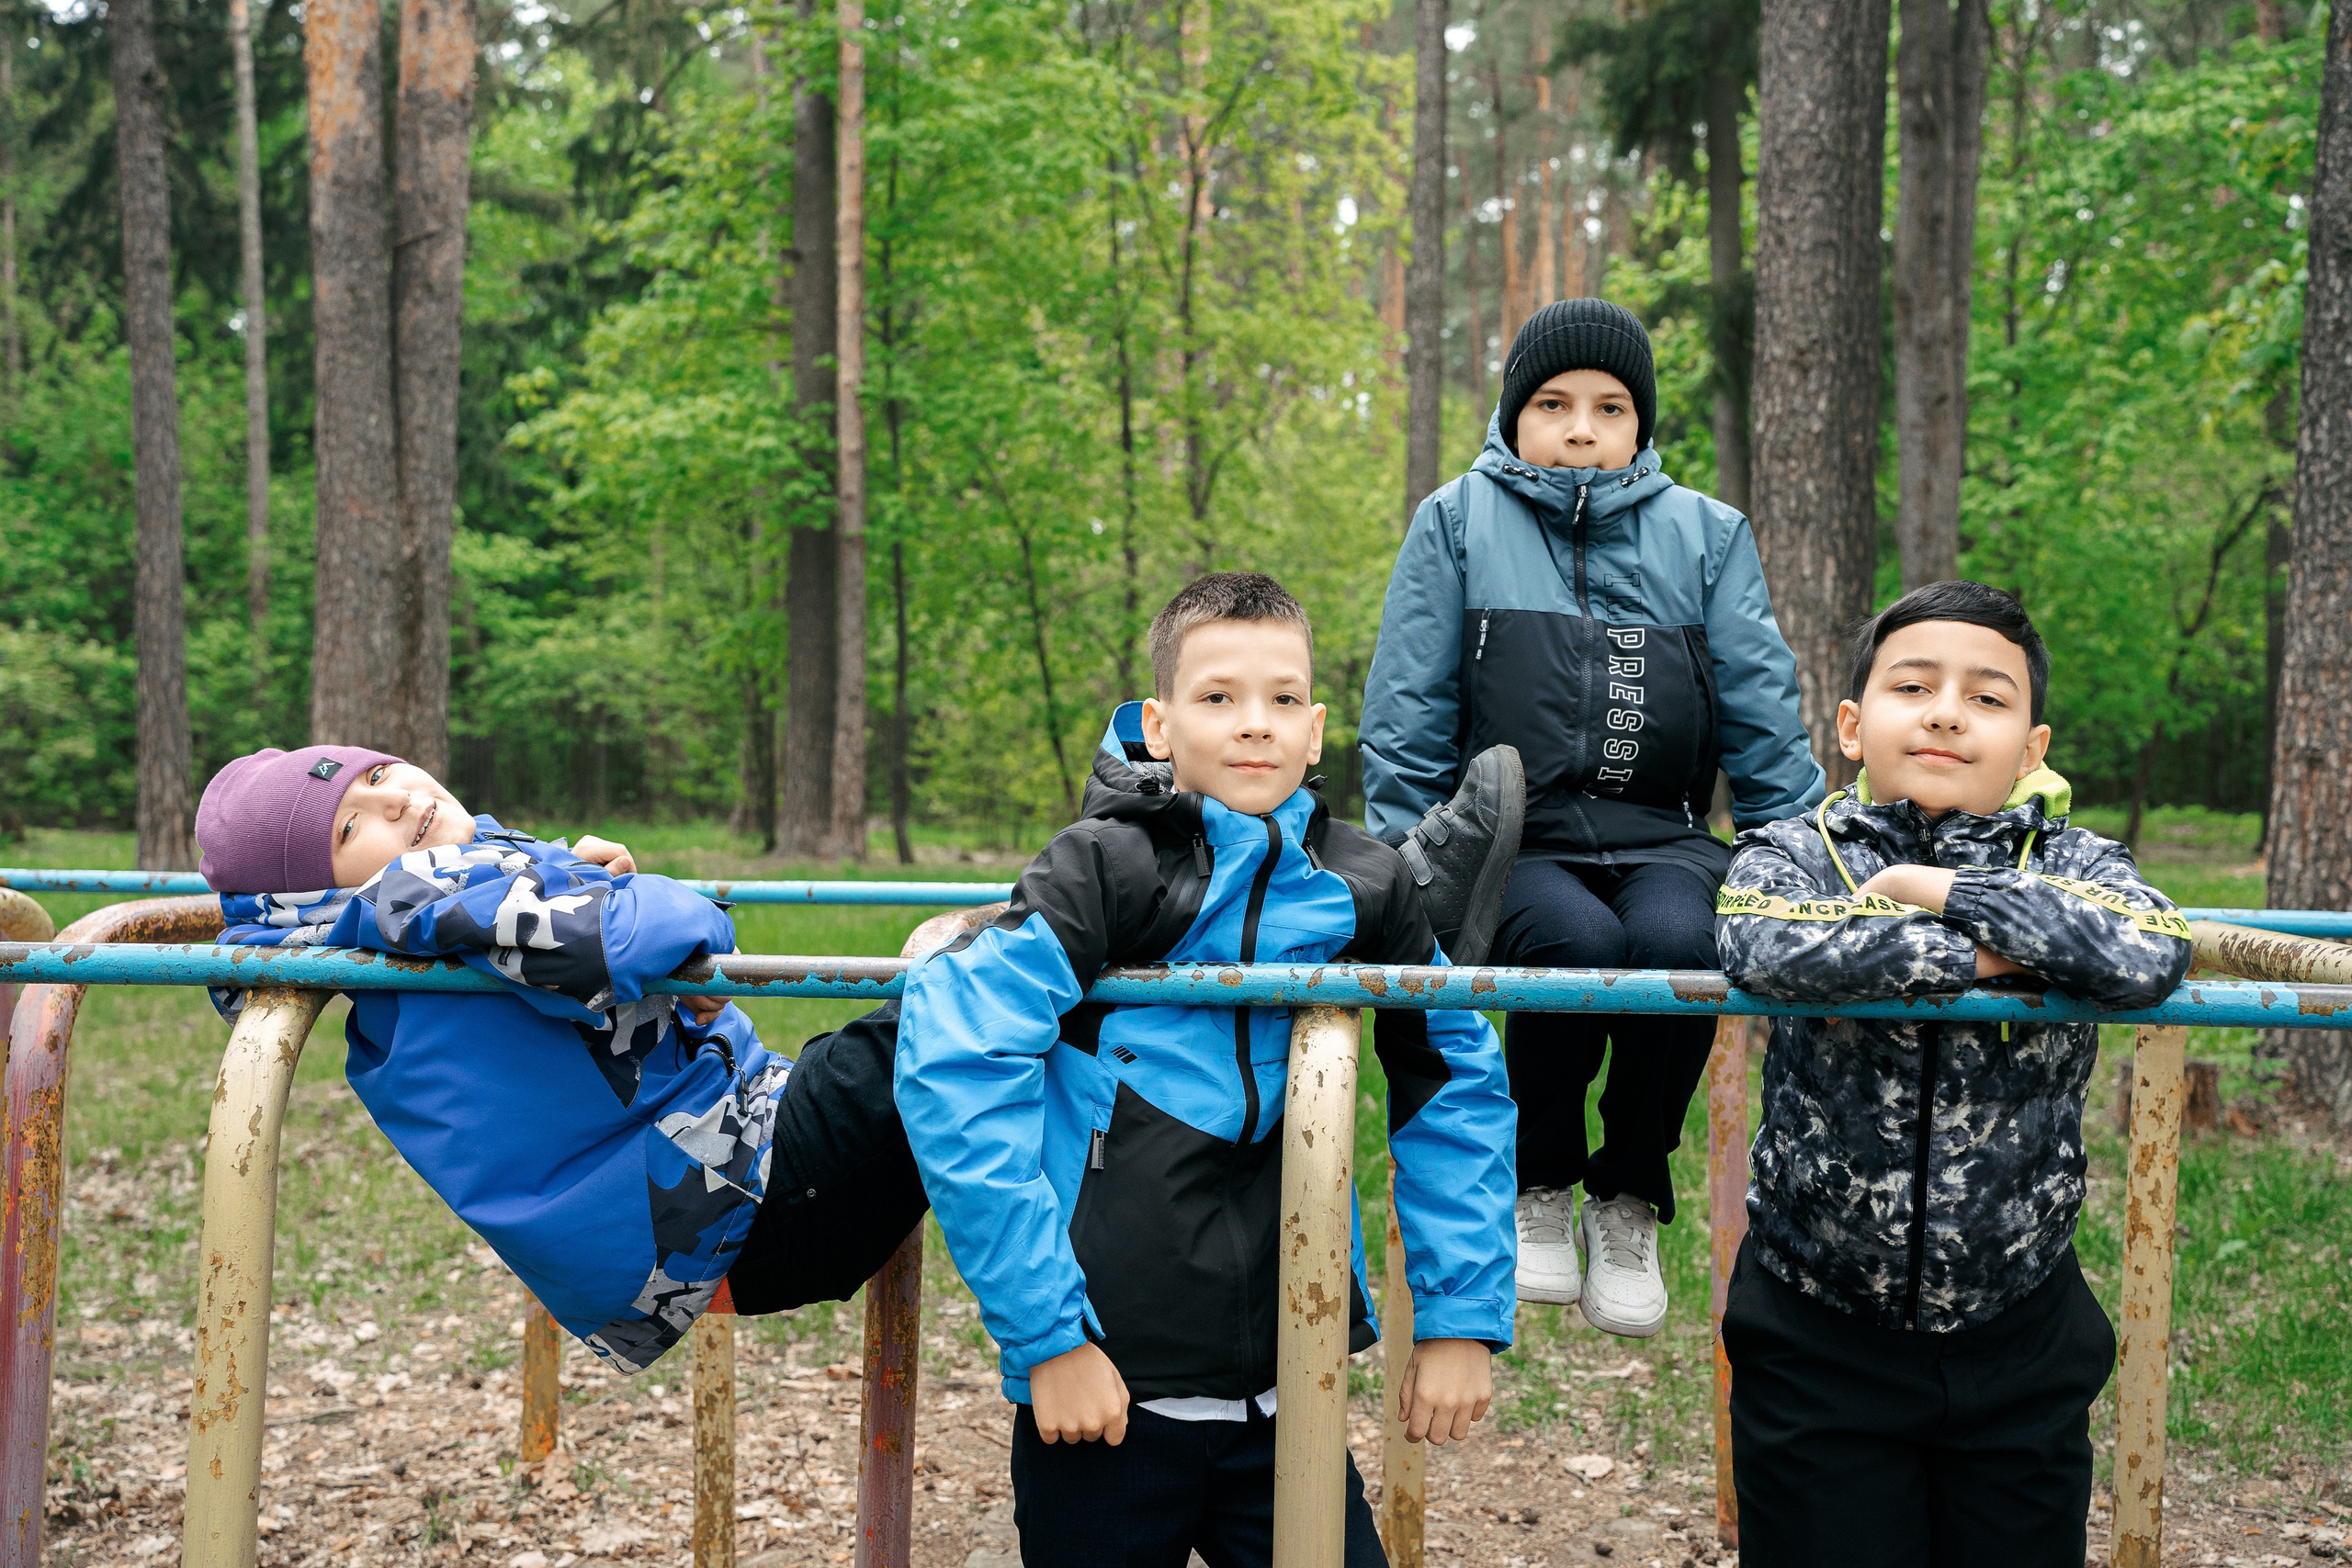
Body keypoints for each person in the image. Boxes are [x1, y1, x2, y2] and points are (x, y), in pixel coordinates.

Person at [895, 573, 1519, 1568]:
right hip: (1101, 1385)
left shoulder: (1368, 885)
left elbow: (1457, 1083)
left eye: (1281, 701)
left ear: (1316, 732)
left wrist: (1457, 1317)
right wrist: (1045, 1336)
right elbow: (957, 1066)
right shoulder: (1102, 869)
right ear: (1157, 723)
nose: (1253, 726)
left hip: (1290, 1395)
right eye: (1217, 698)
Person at [1357, 297, 1824, 1337]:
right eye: (1554, 403)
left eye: (1609, 408)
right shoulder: (1454, 522)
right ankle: (1542, 1180)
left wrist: (1795, 853)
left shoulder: (1706, 534)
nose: (1580, 428)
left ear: (1639, 426)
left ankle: (1626, 1192)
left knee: (1672, 940)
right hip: (1512, 844)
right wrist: (1412, 853)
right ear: (1513, 413)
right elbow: (1405, 709)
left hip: (1662, 833)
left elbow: (1757, 705)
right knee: (1574, 941)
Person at [1713, 581, 2193, 1566]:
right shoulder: (1798, 854)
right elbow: (1764, 943)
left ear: (2031, 748)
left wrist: (1937, 891)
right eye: (1914, 686)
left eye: (1986, 697)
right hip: (1817, 1334)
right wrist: (1993, 955)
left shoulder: (2075, 860)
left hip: (2020, 1333)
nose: (1944, 712)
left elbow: (2146, 950)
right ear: (1852, 726)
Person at [195, 745, 926, 1373]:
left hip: (702, 1221)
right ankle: (1044, 1358)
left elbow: (589, 946)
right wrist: (680, 915)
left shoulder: (414, 910)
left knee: (988, 1028)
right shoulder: (413, 893)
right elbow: (622, 938)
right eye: (349, 824)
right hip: (741, 1189)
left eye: (379, 771)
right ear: (310, 890)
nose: (395, 801)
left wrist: (585, 881)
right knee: (982, 996)